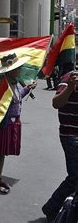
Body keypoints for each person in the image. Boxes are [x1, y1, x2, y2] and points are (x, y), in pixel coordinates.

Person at [0, 53, 37, 194]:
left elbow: (17, 98)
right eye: (17, 68)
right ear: (9, 70)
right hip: (0, 123)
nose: (20, 70)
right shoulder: (1, 84)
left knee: (2, 151)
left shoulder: (14, 83)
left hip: (12, 122)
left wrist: (27, 88)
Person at [42, 64, 78, 221]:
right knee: (75, 177)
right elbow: (56, 103)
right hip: (71, 136)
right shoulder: (68, 78)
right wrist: (70, 87)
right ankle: (52, 207)